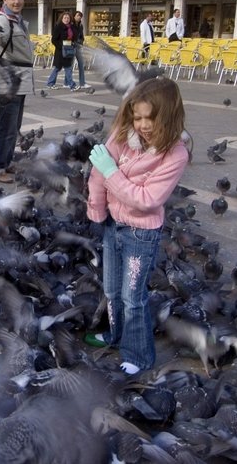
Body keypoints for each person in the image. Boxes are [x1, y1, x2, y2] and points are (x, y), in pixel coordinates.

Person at [84, 77, 190, 375]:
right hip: (111, 225)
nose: (142, 124)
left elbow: (147, 199)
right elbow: (96, 175)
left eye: (150, 118)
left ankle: (138, 355)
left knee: (133, 298)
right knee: (112, 290)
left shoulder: (175, 154)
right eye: (138, 117)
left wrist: (112, 172)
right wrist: (96, 210)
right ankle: (117, 336)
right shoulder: (121, 134)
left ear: (168, 116)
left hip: (141, 234)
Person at [0, 0, 34, 184]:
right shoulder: (3, 21)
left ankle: (6, 161)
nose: (17, 1)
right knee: (6, 125)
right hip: (10, 81)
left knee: (15, 125)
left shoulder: (18, 21)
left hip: (21, 79)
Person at [46, 11, 77, 90]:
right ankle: (71, 85)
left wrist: (73, 43)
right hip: (60, 51)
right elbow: (54, 40)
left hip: (69, 50)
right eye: (65, 18)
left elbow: (74, 38)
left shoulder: (71, 27)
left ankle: (51, 83)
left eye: (68, 18)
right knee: (59, 68)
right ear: (62, 18)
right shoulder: (58, 27)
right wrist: (61, 46)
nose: (66, 19)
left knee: (67, 68)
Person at [71, 10, 92, 91]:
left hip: (78, 46)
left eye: (80, 16)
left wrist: (81, 41)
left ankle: (82, 83)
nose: (79, 17)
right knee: (70, 65)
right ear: (74, 16)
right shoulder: (71, 25)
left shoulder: (80, 26)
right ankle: (67, 82)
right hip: (72, 46)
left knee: (81, 64)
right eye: (77, 16)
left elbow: (81, 35)